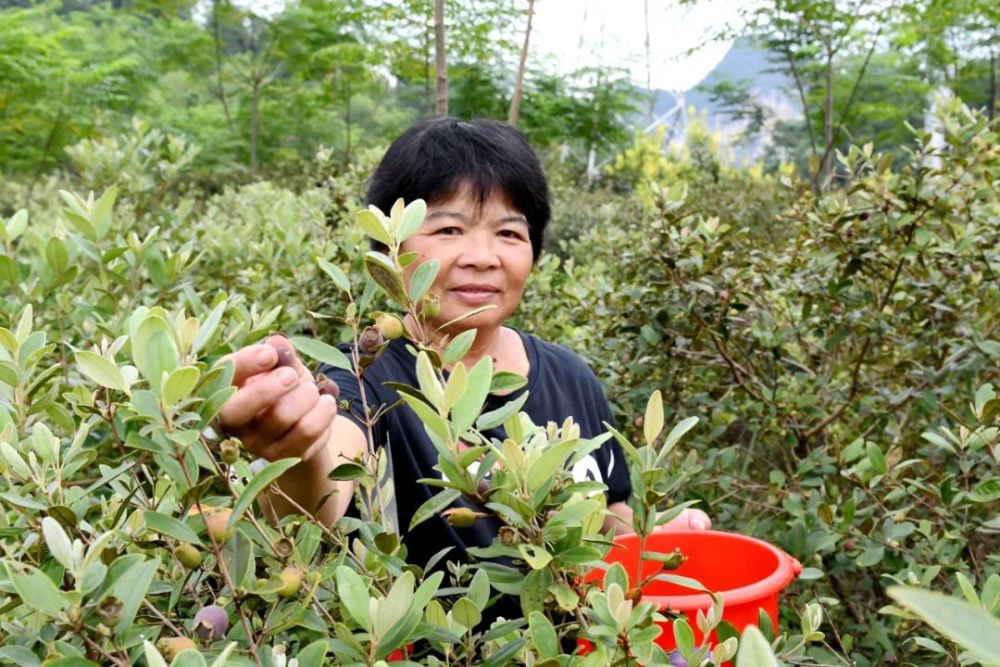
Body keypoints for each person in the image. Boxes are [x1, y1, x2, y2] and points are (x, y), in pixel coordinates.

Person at [216, 118, 710, 572]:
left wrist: (655, 541)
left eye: (509, 233)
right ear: (390, 249)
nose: (483, 257)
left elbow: (611, 517)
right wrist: (299, 448)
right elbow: (322, 489)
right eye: (449, 229)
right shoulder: (360, 384)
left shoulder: (570, 375)